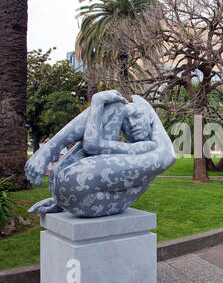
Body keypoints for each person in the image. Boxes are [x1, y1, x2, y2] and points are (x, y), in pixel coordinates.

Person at [26, 90, 176, 217]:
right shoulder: (132, 151)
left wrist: (97, 101)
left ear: (150, 116)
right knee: (115, 106)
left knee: (111, 104)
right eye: (126, 122)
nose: (132, 125)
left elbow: (92, 145)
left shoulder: (149, 148)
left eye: (137, 116)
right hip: (81, 196)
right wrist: (61, 200)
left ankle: (49, 149)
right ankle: (49, 150)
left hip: (81, 194)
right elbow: (93, 147)